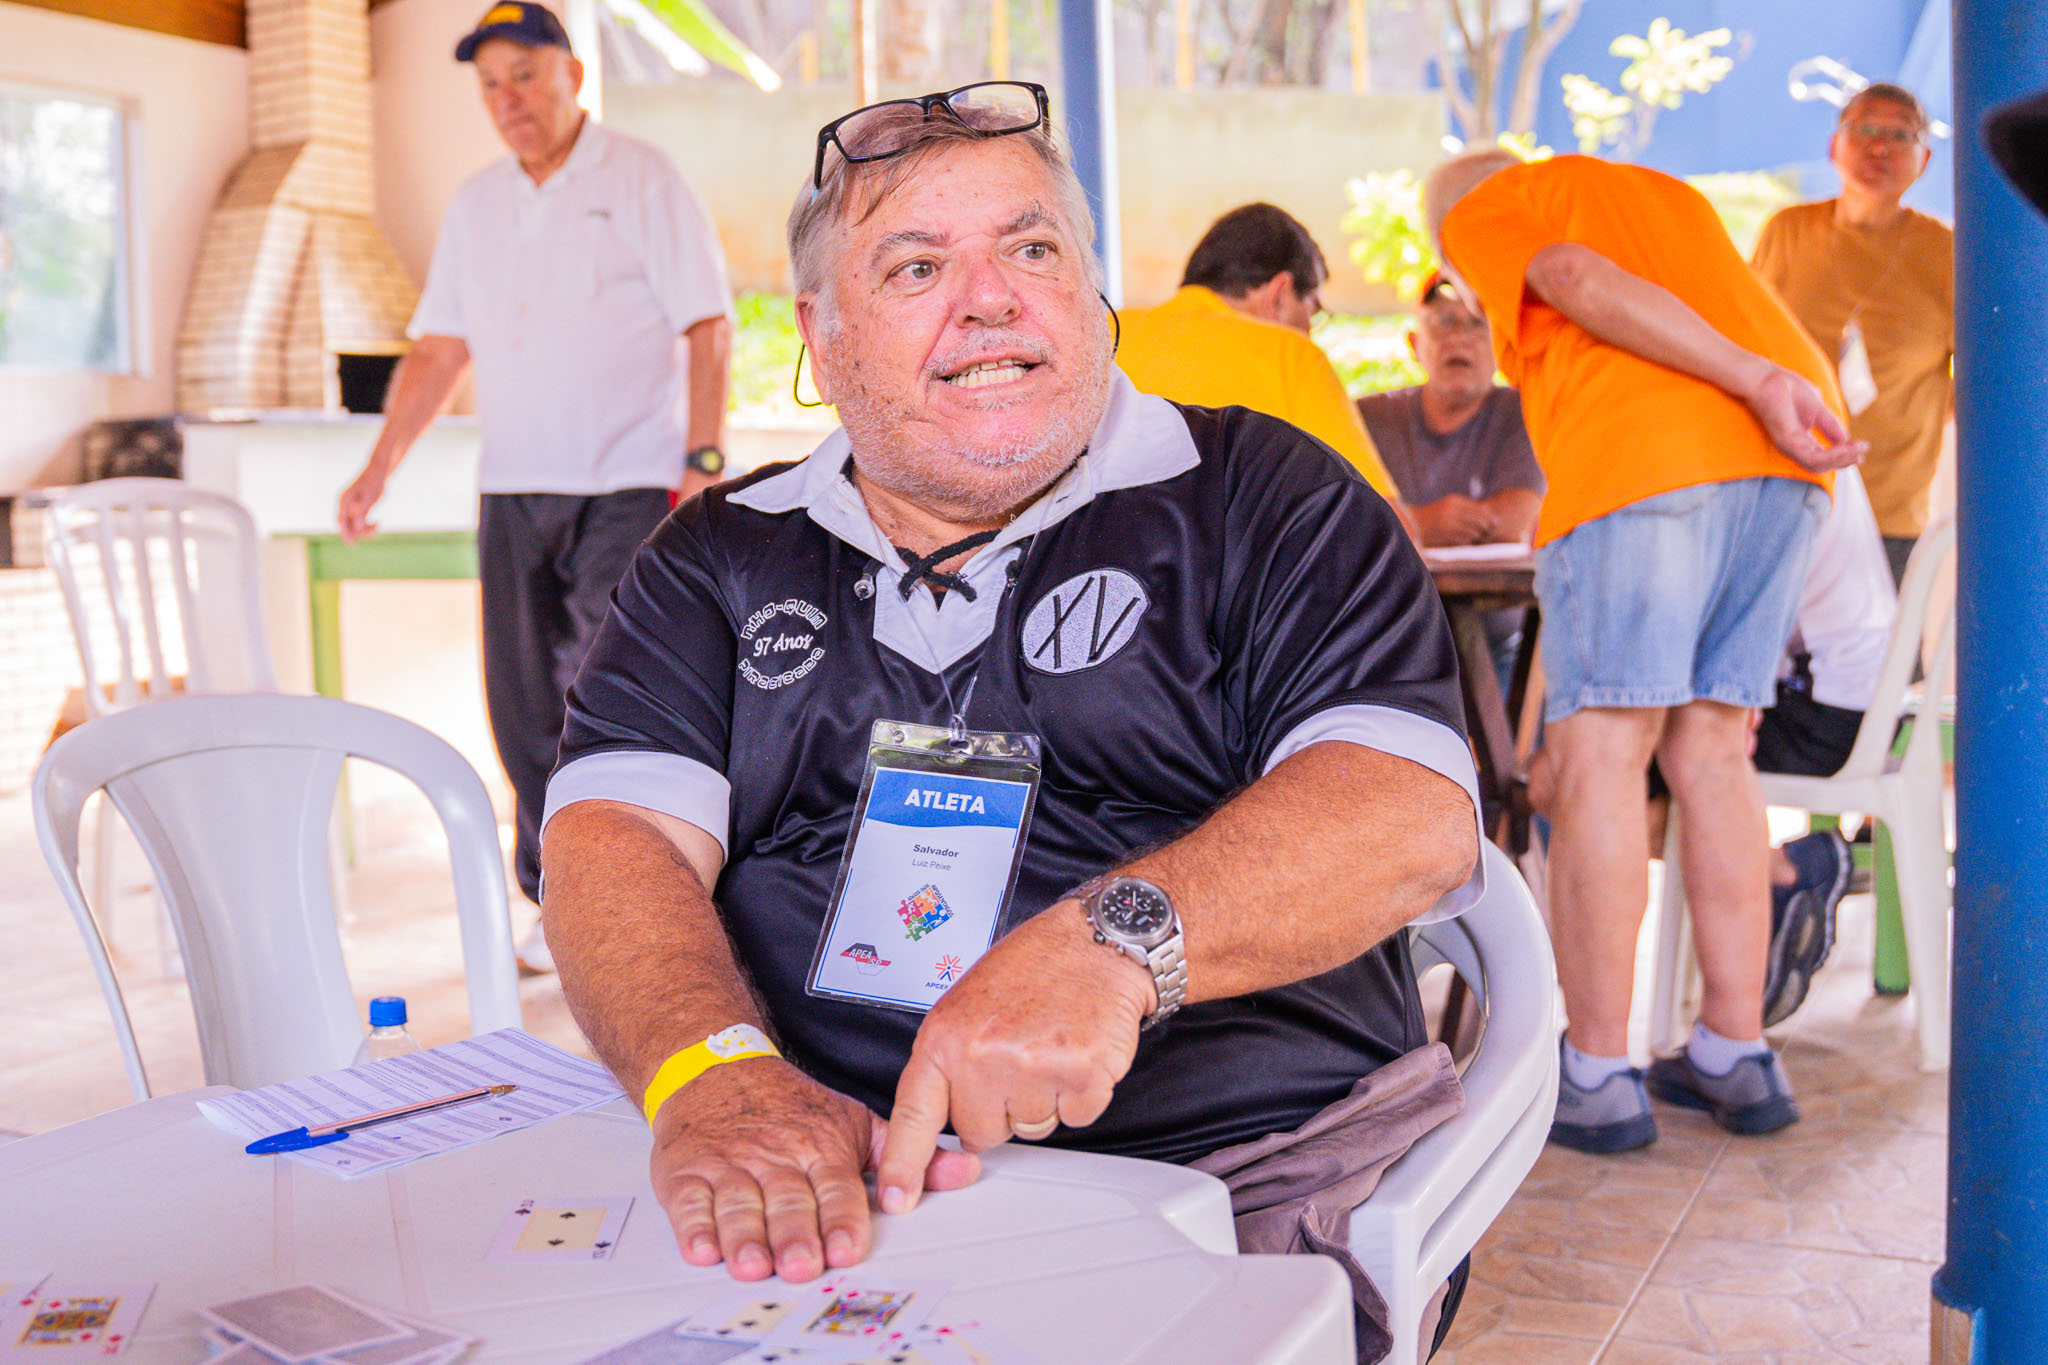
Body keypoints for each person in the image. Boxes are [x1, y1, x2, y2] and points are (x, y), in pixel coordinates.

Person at [540, 82, 1485, 1356]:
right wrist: (716, 1076)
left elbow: (1404, 811)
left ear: (1091, 295)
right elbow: (613, 841)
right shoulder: (717, 553)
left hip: (1230, 1170)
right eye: (916, 266)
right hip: (830, 1163)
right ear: (818, 337)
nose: (989, 299)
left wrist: (1113, 946)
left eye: (1031, 249)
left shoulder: (1262, 497)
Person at [1425, 149, 1862, 1154]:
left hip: (1652, 456)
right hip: (1788, 462)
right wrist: (1765, 387)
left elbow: (1570, 277)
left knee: (1602, 754)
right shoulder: (1656, 194)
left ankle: (1596, 1071)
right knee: (1712, 749)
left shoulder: (1483, 203)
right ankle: (1734, 1049)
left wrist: (1752, 381)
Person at [335, 1, 735, 972]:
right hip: (514, 486)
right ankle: (554, 898)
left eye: (525, 75)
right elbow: (440, 349)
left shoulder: (640, 175)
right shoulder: (476, 203)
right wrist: (378, 466)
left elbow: (708, 323)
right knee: (520, 709)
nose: (508, 99)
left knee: (610, 695)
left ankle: (646, 893)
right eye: (490, 85)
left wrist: (703, 458)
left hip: (629, 482)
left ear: (572, 76)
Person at [1751, 84, 1954, 587]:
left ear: (1925, 159)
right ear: (1833, 145)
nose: (1878, 146)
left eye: (1900, 135)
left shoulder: (1949, 252)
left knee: (1882, 637)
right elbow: (1747, 340)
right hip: (1781, 489)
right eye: (1863, 128)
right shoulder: (1788, 230)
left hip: (1889, 510)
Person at [1115, 202, 1400, 501]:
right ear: (1279, 294)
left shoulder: (1106, 331)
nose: (1310, 327)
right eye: (1314, 309)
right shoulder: (1291, 354)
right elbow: (1378, 518)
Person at [1357, 270, 1543, 549]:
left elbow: (1516, 520)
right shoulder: (1366, 418)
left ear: (1502, 344)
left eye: (1477, 323)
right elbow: (1346, 523)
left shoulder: (1526, 411)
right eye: (1443, 322)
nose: (1458, 337)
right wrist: (1424, 524)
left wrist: (1404, 524)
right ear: (1414, 344)